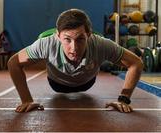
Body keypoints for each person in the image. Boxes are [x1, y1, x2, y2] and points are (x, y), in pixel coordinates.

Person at [7, 9, 143, 113]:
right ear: (58, 36)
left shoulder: (101, 44)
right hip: (57, 84)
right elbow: (14, 63)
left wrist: (124, 99)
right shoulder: (45, 44)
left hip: (87, 83)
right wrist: (26, 100)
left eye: (80, 39)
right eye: (67, 39)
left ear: (89, 35)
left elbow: (135, 63)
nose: (74, 48)